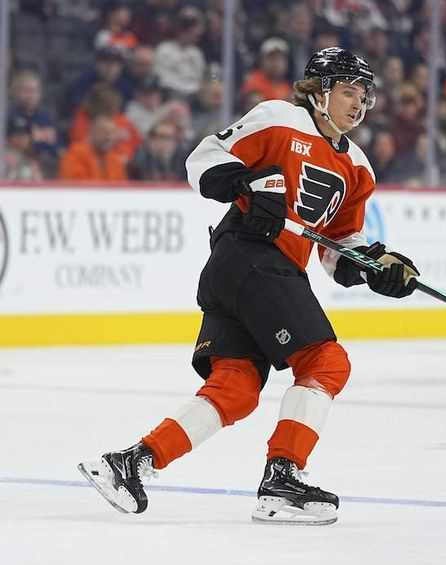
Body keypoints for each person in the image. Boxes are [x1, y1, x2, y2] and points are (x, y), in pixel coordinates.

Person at [78, 47, 420, 526]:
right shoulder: (279, 118)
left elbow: (338, 251)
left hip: (258, 270)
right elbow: (204, 159)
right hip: (248, 255)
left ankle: (129, 463)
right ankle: (283, 478)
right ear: (320, 93)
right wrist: (248, 184)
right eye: (348, 92)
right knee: (326, 360)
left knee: (235, 388)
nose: (359, 105)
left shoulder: (359, 169)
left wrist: (374, 266)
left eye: (365, 96)